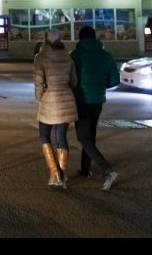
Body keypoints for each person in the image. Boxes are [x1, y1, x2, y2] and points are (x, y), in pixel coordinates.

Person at [70, 25, 120, 190]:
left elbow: (70, 79)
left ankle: (107, 170)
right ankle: (85, 169)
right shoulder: (106, 56)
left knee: (83, 138)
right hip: (98, 100)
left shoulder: (75, 55)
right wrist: (101, 84)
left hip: (81, 100)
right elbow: (114, 81)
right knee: (90, 135)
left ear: (80, 38)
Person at [33, 29, 78, 189]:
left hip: (49, 100)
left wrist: (39, 97)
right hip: (66, 100)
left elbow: (38, 82)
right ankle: (63, 175)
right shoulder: (68, 56)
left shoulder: (41, 57)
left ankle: (54, 172)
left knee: (44, 135)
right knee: (62, 137)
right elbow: (74, 82)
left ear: (45, 40)